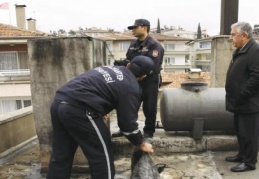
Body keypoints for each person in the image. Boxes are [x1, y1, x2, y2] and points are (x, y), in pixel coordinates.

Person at [46, 55, 154, 179]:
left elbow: (98, 88)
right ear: (144, 76)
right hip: (80, 108)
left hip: (59, 102)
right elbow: (127, 125)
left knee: (61, 154)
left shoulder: (110, 68)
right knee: (102, 158)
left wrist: (99, 108)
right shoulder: (131, 86)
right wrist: (140, 142)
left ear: (128, 65)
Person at [112, 19, 164, 138]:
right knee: (130, 105)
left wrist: (141, 74)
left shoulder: (154, 45)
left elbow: (154, 66)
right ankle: (126, 129)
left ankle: (149, 131)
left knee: (149, 107)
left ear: (144, 28)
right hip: (134, 80)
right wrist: (122, 64)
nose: (133, 30)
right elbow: (129, 61)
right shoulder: (133, 45)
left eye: (135, 28)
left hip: (150, 80)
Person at [225, 22, 259, 172]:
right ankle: (242, 155)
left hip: (249, 102)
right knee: (240, 131)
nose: (231, 37)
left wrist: (242, 94)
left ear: (244, 35)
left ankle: (250, 162)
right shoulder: (241, 50)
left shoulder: (255, 51)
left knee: (249, 134)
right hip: (239, 101)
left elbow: (256, 77)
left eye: (233, 34)